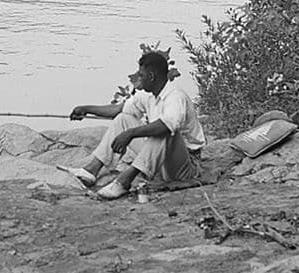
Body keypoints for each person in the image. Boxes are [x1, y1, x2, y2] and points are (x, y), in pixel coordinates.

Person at [60, 51, 205, 199]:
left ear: (151, 77)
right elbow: (117, 110)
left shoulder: (175, 97)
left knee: (164, 130)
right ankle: (91, 170)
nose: (139, 80)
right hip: (161, 160)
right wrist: (86, 109)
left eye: (141, 76)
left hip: (184, 166)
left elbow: (167, 125)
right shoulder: (148, 95)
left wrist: (130, 134)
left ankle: (123, 182)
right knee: (123, 118)